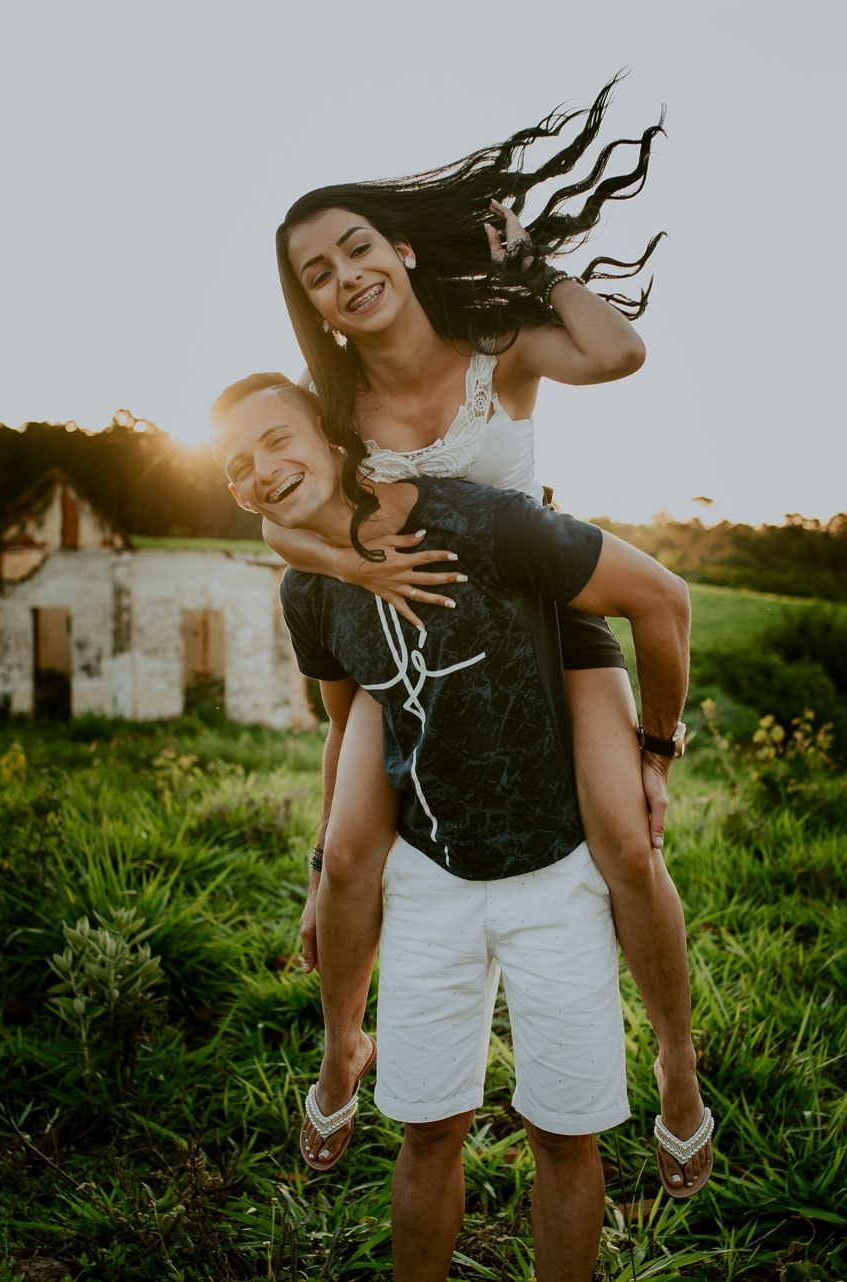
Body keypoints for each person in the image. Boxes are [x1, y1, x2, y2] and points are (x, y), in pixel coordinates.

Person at [262, 75, 713, 1198]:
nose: (345, 275)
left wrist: (536, 267)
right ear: (314, 305)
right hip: (415, 639)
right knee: (349, 853)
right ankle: (343, 1047)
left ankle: (675, 1062)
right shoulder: (330, 405)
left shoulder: (494, 344)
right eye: (317, 273)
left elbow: (617, 354)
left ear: (402, 250)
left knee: (625, 845)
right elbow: (277, 515)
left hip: (548, 623)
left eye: (357, 247)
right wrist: (358, 566)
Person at [210, 372, 705, 1282]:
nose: (263, 470)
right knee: (428, 1130)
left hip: (556, 869)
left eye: (277, 439)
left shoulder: (480, 520)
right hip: (431, 873)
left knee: (565, 1133)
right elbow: (344, 728)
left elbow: (662, 598)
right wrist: (322, 867)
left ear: (329, 430)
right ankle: (341, 1048)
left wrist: (655, 749)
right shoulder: (308, 591)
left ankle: (680, 1062)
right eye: (238, 466)